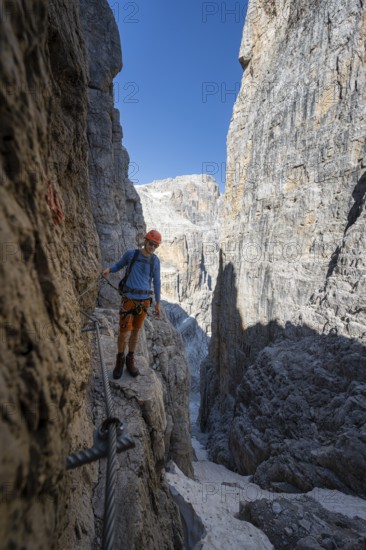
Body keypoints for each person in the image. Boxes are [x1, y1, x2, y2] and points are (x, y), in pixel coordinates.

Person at [102, 230, 162, 378]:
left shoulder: (155, 261)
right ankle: (120, 360)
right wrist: (109, 270)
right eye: (150, 243)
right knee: (123, 332)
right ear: (145, 241)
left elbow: (157, 282)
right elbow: (119, 265)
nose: (152, 247)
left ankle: (130, 359)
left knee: (135, 331)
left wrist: (158, 303)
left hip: (143, 302)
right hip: (128, 300)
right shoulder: (131, 254)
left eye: (155, 245)